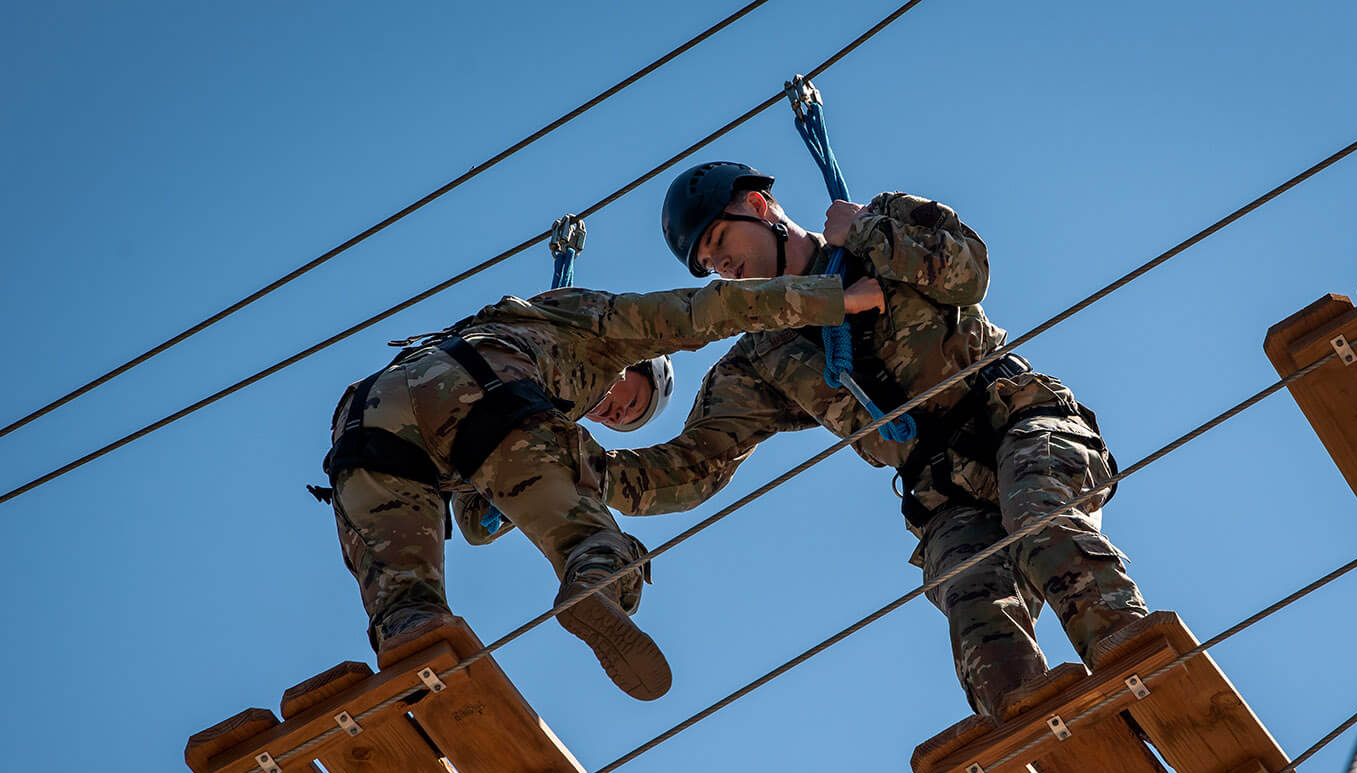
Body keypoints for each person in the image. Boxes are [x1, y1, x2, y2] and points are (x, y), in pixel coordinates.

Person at [602, 161, 1152, 719]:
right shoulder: (761, 358)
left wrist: (866, 233)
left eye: (719, 241)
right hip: (943, 492)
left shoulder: (879, 223)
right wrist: (571, 474)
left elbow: (969, 272)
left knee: (1040, 520)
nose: (721, 264)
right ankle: (1044, 755)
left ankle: (1144, 669)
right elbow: (694, 466)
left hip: (1014, 420)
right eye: (708, 264)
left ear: (758, 207)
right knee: (976, 610)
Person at [322, 271, 882, 700]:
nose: (612, 410)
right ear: (637, 363)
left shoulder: (529, 363)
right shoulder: (596, 322)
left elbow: (474, 522)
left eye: (620, 420)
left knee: (408, 609)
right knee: (592, 541)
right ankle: (596, 582)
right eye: (628, 398)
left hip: (367, 416)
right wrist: (835, 297)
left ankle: (417, 672)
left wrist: (524, 493)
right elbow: (706, 309)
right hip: (482, 387)